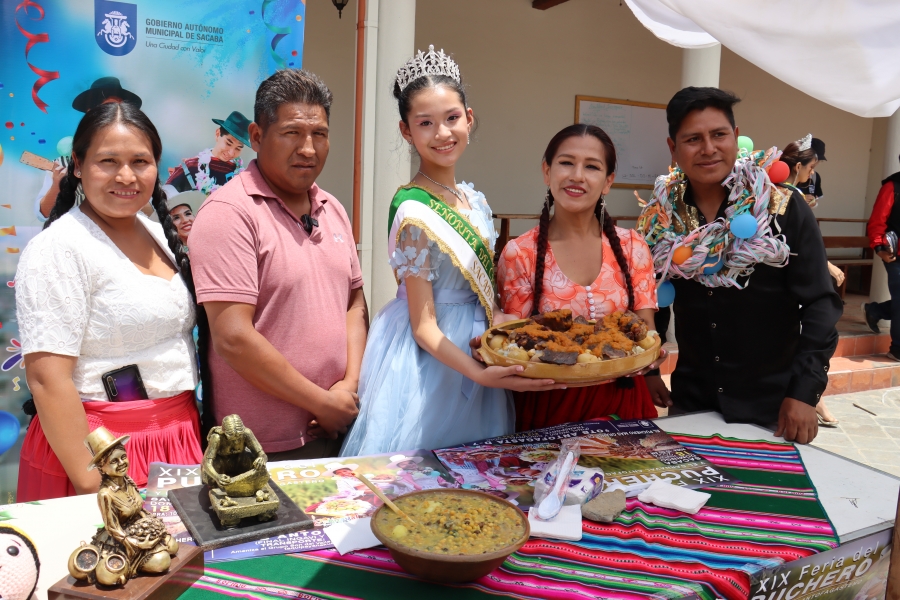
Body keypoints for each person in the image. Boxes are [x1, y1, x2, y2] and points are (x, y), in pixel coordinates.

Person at [339, 46, 560, 456]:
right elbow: (423, 327)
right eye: (425, 123)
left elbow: (483, 293)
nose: (442, 133)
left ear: (469, 119)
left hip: (479, 344)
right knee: (426, 475)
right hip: (434, 359)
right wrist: (480, 374)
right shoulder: (413, 209)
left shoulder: (473, 200)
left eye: (451, 118)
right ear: (407, 131)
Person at [16, 101, 203, 501]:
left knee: (192, 564)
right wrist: (98, 485)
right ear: (79, 166)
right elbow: (48, 380)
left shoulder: (156, 233)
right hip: (99, 452)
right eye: (108, 161)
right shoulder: (59, 248)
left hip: (179, 437)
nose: (126, 176)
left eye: (140, 161)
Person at [636, 87, 841, 444]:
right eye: (693, 139)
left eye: (719, 134)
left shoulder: (780, 206)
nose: (708, 148)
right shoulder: (662, 216)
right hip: (692, 400)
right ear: (673, 148)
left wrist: (805, 392)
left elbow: (820, 302)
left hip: (773, 405)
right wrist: (648, 371)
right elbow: (652, 294)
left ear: (735, 135)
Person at [189, 70, 368, 460]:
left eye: (319, 134)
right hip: (259, 451)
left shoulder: (332, 208)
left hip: (340, 428)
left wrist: (347, 388)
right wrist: (321, 401)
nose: (308, 148)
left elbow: (354, 304)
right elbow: (233, 338)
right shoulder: (230, 213)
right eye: (292, 133)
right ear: (256, 137)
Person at [497, 124, 666, 429]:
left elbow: (647, 335)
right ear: (547, 172)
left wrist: (650, 359)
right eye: (566, 162)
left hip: (624, 404)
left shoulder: (632, 246)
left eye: (591, 166)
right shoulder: (520, 253)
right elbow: (515, 346)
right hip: (548, 408)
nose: (577, 175)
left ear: (607, 181)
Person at [33, 77, 143, 222]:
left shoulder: (138, 161)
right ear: (91, 113)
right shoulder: (63, 164)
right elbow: (43, 214)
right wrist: (57, 186)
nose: (116, 114)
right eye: (108, 107)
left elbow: (149, 212)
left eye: (120, 108)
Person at [162, 111, 251, 203]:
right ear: (217, 134)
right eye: (228, 143)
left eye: (238, 148)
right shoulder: (191, 167)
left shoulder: (241, 176)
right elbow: (164, 198)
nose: (231, 152)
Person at [863, 154, 900, 361]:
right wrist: (879, 248)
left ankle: (875, 310)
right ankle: (897, 349)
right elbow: (877, 221)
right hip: (894, 255)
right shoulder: (892, 187)